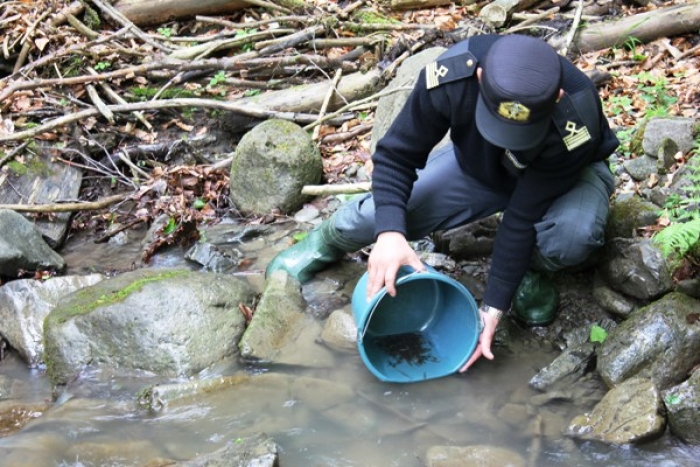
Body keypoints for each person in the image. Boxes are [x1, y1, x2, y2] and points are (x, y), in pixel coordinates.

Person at [266, 33, 619, 371]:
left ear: (556, 97)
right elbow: (396, 156)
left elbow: (523, 215)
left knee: (573, 237)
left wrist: (493, 308)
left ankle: (534, 269)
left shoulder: (577, 114)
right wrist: (390, 234)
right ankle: (324, 241)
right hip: (478, 170)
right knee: (373, 219)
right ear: (480, 78)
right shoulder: (452, 75)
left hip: (564, 179)